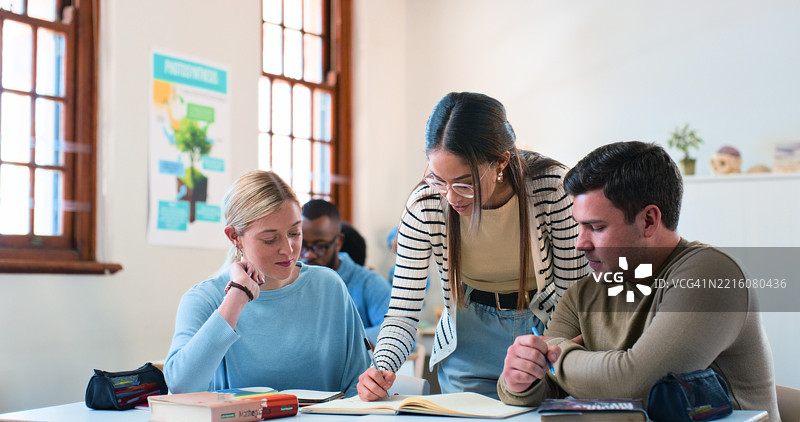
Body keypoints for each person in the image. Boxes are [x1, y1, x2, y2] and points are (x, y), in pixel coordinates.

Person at [497, 141, 780, 420]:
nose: (580, 244)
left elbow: (638, 385)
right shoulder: (582, 294)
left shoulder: (713, 274)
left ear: (648, 221)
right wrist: (520, 378)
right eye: (579, 227)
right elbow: (544, 390)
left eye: (596, 227)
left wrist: (557, 354)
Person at [357, 92, 589, 401]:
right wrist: (380, 368)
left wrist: (548, 352)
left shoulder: (551, 189)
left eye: (465, 183)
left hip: (545, 330)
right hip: (469, 339)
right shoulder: (425, 205)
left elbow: (574, 295)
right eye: (439, 180)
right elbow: (402, 312)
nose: (451, 198)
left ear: (501, 162)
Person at [163, 170, 370, 397]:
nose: (288, 249)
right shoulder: (204, 299)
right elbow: (181, 386)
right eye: (270, 239)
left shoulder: (329, 287)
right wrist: (236, 297)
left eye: (294, 232)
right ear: (234, 236)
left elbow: (358, 383)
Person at [300, 199, 391, 345]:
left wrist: (338, 343)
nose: (309, 255)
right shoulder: (289, 281)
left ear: (338, 242)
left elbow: (397, 334)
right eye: (302, 246)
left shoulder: (369, 283)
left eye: (320, 246)